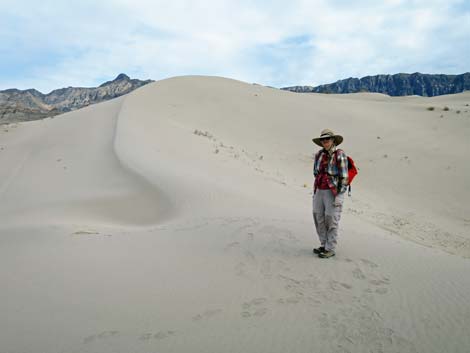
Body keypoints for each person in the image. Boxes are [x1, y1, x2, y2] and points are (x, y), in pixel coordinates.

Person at [311, 129, 348, 258]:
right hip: (319, 190)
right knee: (318, 217)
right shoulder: (318, 155)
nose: (325, 142)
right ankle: (323, 244)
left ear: (333, 140)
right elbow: (315, 173)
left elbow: (344, 177)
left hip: (332, 191)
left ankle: (330, 248)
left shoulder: (340, 154)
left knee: (331, 219)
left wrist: (339, 195)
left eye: (327, 139)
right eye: (323, 140)